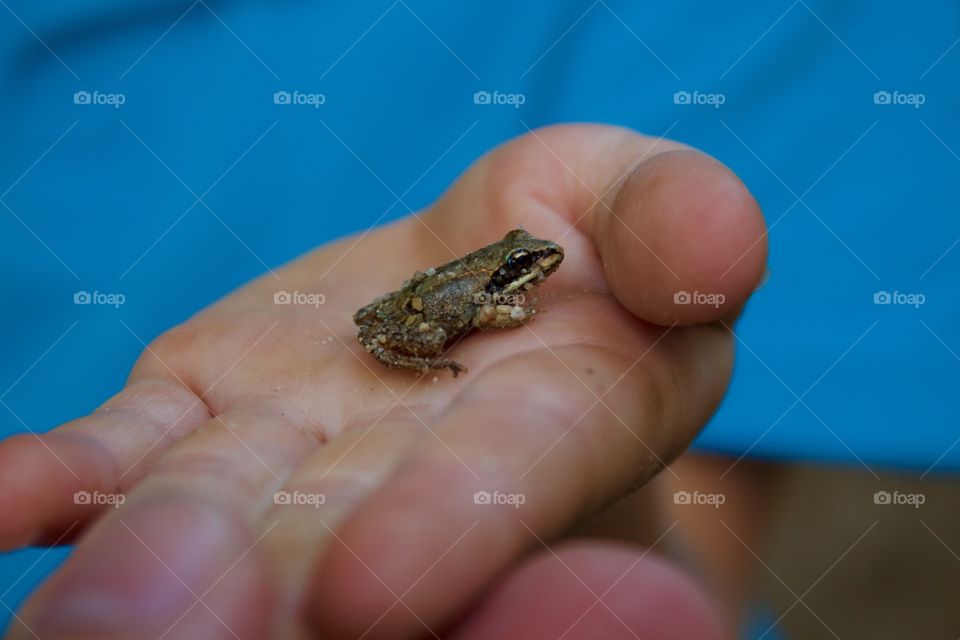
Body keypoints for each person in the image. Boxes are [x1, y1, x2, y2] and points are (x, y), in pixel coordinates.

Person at [0, 2, 955, 638]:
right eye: (531, 266)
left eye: (529, 264)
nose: (540, 271)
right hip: (407, 321)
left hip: (424, 351)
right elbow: (489, 312)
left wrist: (598, 508)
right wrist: (479, 324)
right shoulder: (508, 287)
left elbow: (699, 521)